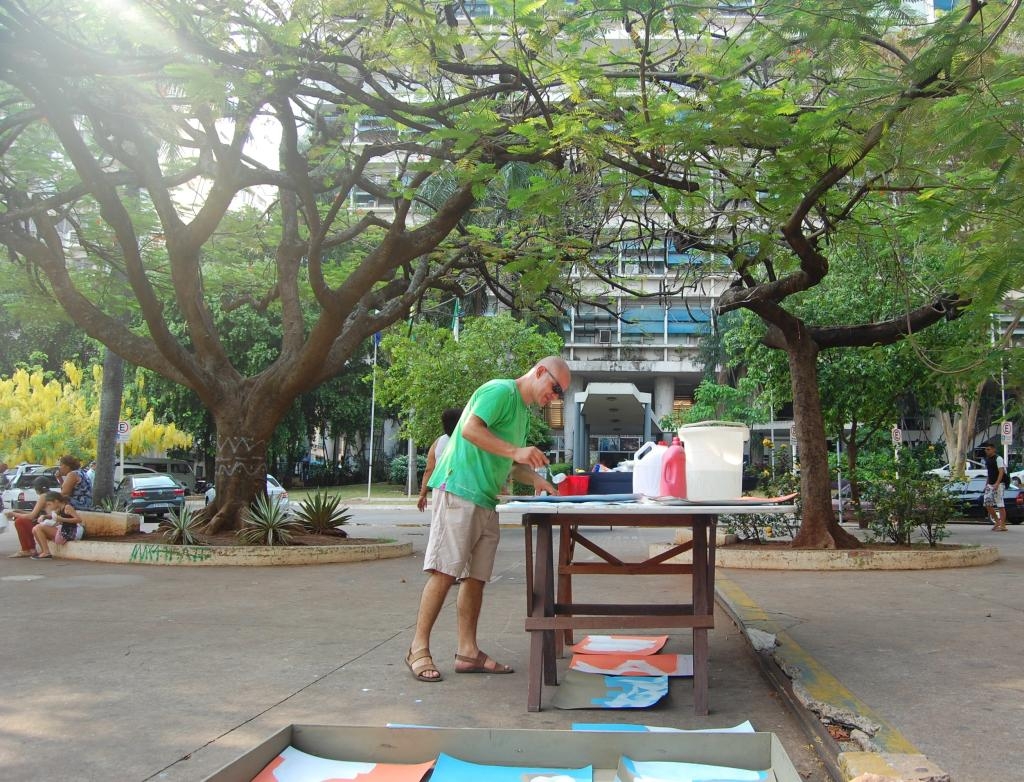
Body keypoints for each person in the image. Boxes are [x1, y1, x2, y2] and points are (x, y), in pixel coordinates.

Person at [405, 356, 570, 683]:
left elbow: (510, 462)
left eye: (559, 394)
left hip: (486, 498)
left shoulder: (521, 414)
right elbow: (469, 429)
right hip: (459, 488)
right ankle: (417, 649)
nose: (554, 397)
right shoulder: (500, 391)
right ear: (540, 372)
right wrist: (516, 452)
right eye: (555, 388)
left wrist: (537, 480)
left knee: (476, 578)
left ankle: (467, 652)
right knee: (444, 572)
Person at [417, 408, 464, 512]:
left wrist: (422, 494)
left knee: (440, 520)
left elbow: (429, 470)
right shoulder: (470, 440)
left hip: (440, 489)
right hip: (463, 489)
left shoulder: (438, 442)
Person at [6, 475, 59, 558]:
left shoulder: (43, 496)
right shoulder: (51, 494)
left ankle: (28, 549)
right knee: (22, 519)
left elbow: (32, 516)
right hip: (50, 522)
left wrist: (14, 514)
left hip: (50, 524)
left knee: (20, 521)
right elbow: (35, 514)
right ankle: (30, 549)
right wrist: (20, 511)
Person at [29, 490, 85, 560]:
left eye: (49, 504)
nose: (49, 506)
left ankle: (46, 553)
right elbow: (53, 516)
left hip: (70, 532)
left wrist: (62, 519)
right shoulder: (58, 509)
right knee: (34, 529)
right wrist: (44, 516)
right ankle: (44, 551)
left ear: (56, 501)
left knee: (38, 528)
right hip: (64, 530)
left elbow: (79, 520)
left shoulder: (67, 507)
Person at [982, 442, 1009, 531]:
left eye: (988, 449)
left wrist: (997, 483)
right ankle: (997, 522)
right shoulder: (987, 460)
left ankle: (1003, 525)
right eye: (986, 449)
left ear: (993, 449)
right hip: (990, 484)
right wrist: (986, 484)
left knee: (1000, 504)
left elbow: (1001, 472)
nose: (987, 451)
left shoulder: (998, 458)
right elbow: (989, 473)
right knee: (987, 504)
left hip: (999, 484)